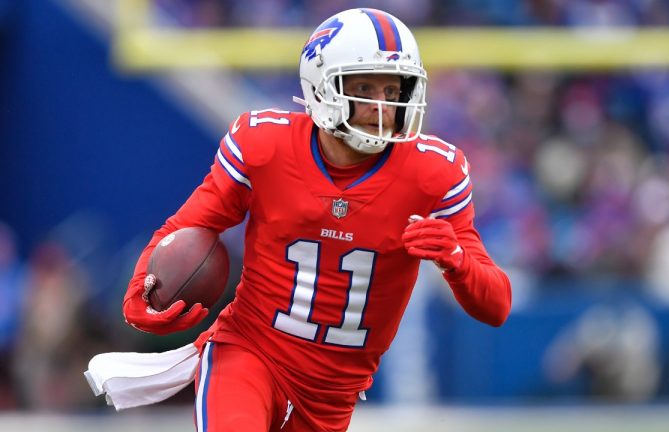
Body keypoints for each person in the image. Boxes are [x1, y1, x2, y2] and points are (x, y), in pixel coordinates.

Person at [119, 8, 511, 432]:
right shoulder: (264, 145)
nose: (381, 106)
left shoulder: (435, 174)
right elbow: (185, 228)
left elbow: (497, 305)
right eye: (363, 87)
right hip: (249, 355)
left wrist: (457, 260)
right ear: (321, 86)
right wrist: (140, 291)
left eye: (393, 89)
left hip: (331, 396)